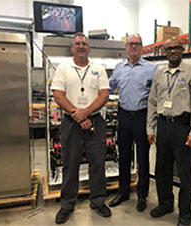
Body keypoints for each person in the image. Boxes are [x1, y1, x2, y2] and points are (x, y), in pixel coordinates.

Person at [51, 33, 111, 224]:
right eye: (77, 43)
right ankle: (67, 204)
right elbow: (58, 95)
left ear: (89, 48)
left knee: (98, 162)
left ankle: (98, 200)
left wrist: (86, 112)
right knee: (70, 163)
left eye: (84, 43)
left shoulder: (98, 69)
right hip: (71, 122)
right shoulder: (63, 68)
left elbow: (104, 95)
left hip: (95, 121)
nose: (81, 46)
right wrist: (77, 114)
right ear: (72, 48)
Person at [147, 38, 191, 226]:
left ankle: (185, 213)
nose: (172, 51)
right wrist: (151, 127)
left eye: (176, 48)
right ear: (164, 51)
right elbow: (152, 102)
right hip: (163, 127)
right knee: (161, 170)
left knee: (184, 173)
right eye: (169, 48)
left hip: (182, 127)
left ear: (183, 49)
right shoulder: (159, 74)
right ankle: (165, 204)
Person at [108, 34, 157, 212]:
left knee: (143, 158)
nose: (134, 47)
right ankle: (123, 192)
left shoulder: (151, 69)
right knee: (124, 156)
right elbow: (109, 88)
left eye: (137, 44)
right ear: (126, 47)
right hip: (123, 116)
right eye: (131, 44)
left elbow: (156, 95)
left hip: (142, 116)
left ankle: (142, 195)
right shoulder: (118, 68)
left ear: (142, 47)